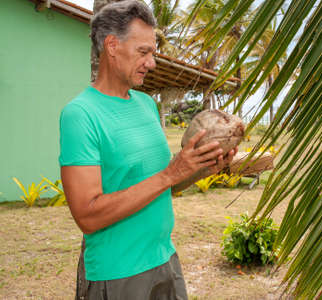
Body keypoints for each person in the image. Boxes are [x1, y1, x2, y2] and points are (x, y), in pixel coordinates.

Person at [59, 1, 237, 299]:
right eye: (143, 52)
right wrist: (169, 174)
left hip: (165, 261)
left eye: (152, 52)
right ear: (112, 46)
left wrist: (200, 167)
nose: (152, 63)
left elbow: (162, 185)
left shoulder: (145, 105)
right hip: (118, 275)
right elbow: (87, 215)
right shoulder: (81, 114)